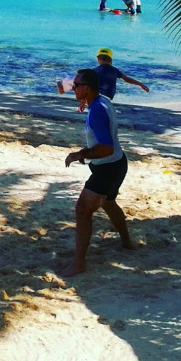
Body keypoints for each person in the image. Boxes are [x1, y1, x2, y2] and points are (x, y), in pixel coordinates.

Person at [62, 67, 134, 275]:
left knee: (82, 211)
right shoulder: (102, 100)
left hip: (108, 169)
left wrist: (79, 154)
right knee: (109, 203)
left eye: (76, 86)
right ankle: (127, 242)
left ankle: (78, 264)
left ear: (87, 88)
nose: (72, 89)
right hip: (119, 163)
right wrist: (85, 101)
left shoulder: (98, 111)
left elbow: (105, 147)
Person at [57, 47, 149, 102]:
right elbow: (127, 79)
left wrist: (82, 101)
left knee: (77, 79)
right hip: (108, 98)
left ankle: (62, 87)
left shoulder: (95, 71)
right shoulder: (115, 70)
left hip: (95, 97)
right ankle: (64, 87)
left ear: (98, 59)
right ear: (111, 60)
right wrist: (141, 84)